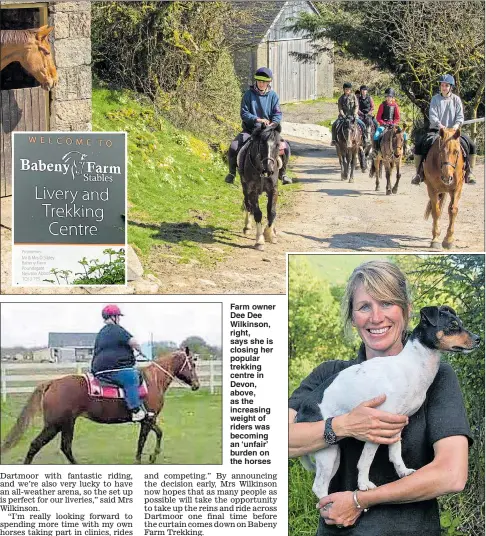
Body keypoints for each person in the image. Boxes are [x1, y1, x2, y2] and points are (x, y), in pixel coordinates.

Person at [289, 260, 471, 536]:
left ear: (407, 311)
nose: (376, 317)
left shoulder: (439, 378)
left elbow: (452, 474)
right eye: (364, 307)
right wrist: (344, 425)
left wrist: (358, 500)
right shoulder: (330, 373)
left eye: (386, 303)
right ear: (352, 317)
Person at [224, 67, 292, 185]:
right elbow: (244, 113)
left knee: (285, 147)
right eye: (259, 81)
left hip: (269, 132)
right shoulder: (248, 95)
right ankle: (231, 173)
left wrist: (273, 123)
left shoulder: (273, 96)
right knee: (234, 146)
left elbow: (277, 113)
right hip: (250, 130)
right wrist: (257, 119)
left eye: (264, 82)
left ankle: (283, 174)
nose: (261, 84)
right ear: (256, 81)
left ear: (268, 82)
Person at [91, 305, 154, 422]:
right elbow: (133, 342)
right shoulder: (118, 329)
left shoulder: (101, 332)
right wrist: (141, 351)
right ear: (113, 317)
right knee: (131, 377)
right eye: (118, 316)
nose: (119, 319)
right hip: (114, 369)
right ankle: (135, 410)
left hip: (99, 371)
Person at [411, 74, 477, 185]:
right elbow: (433, 115)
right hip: (438, 131)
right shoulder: (435, 99)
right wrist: (440, 125)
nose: (444, 87)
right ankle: (419, 173)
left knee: (471, 145)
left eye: (446, 85)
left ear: (451, 87)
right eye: (442, 85)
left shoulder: (456, 100)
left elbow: (460, 116)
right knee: (420, 144)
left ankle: (469, 172)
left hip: (453, 131)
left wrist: (456, 126)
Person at [372, 88, 403, 152]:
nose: (388, 98)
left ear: (392, 97)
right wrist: (383, 123)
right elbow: (378, 117)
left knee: (404, 135)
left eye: (390, 97)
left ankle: (404, 151)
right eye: (387, 96)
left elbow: (398, 117)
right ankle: (376, 151)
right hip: (384, 125)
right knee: (376, 135)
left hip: (393, 125)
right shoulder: (382, 105)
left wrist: (394, 123)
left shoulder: (395, 105)